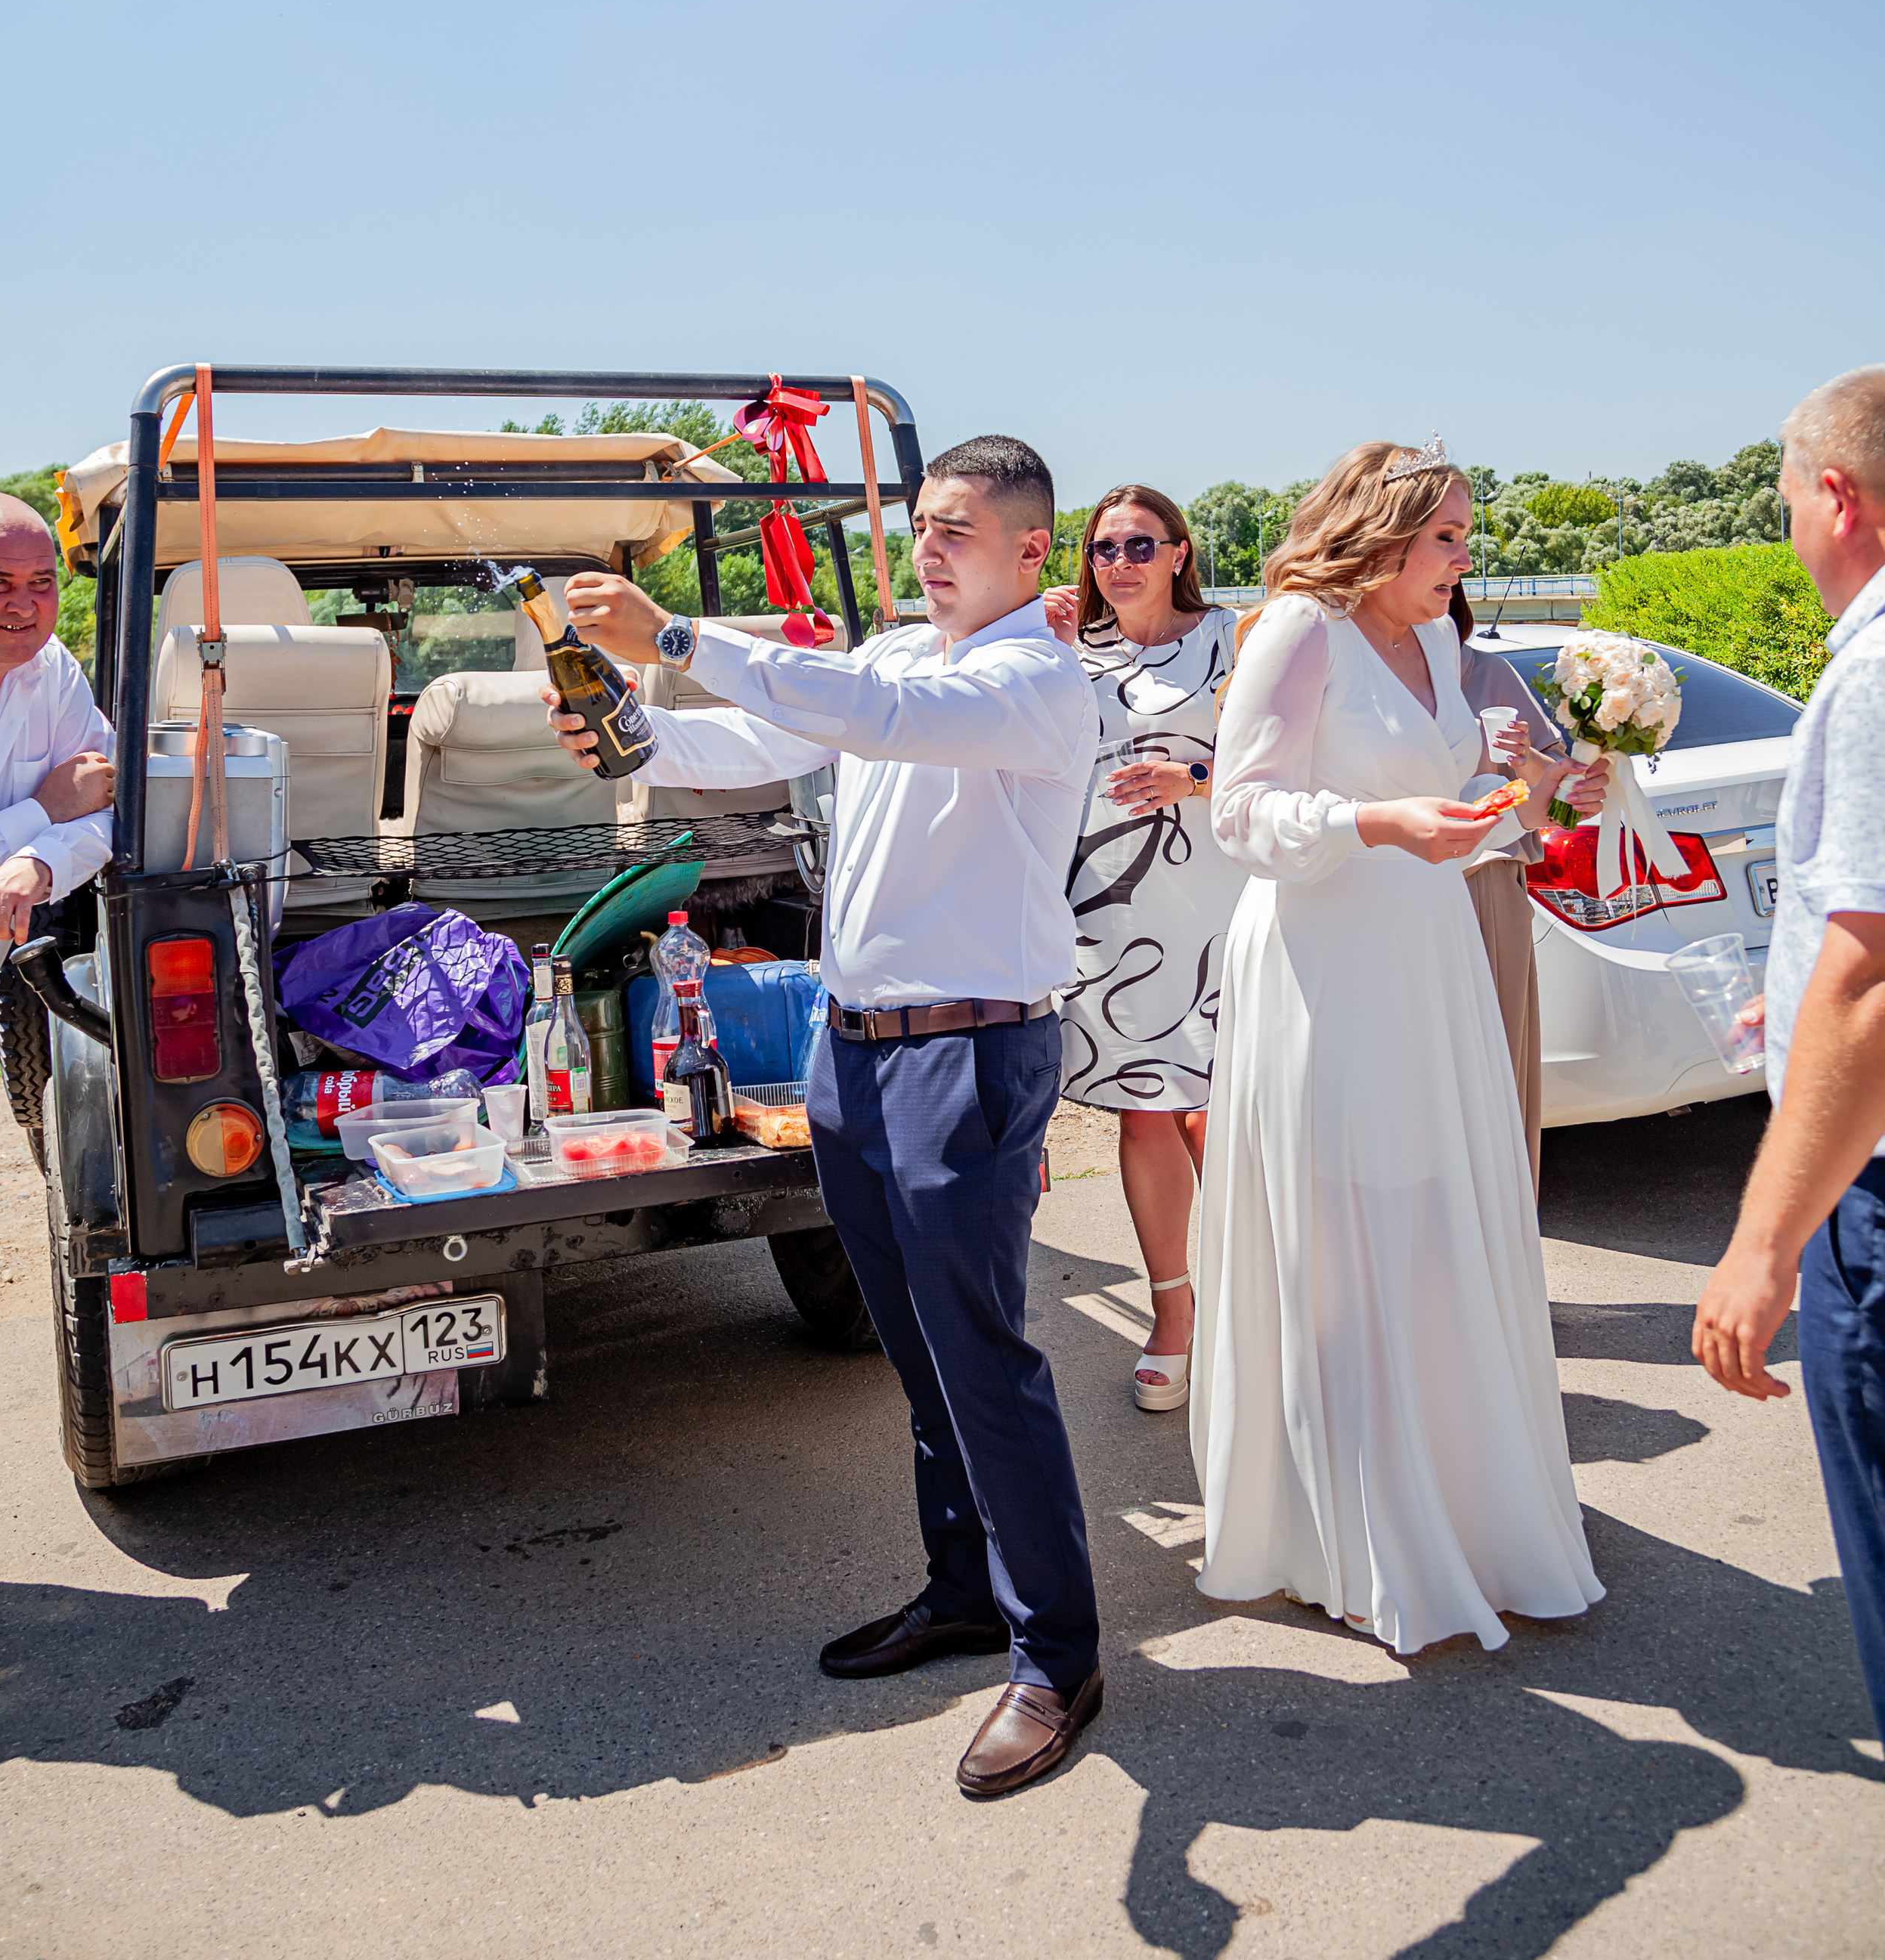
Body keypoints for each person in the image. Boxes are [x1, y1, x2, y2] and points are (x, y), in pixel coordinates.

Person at [546, 436, 1106, 1799]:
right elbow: (779, 730)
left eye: (962, 529)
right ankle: (962, 1591)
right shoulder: (902, 662)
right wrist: (640, 727)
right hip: (852, 1051)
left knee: (984, 1359)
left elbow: (873, 715)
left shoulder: (1034, 678)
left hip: (969, 1053)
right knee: (916, 1356)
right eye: (924, 524)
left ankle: (1060, 1657)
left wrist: (676, 631)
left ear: (1035, 552)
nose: (931, 545)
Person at [1192, 438, 1603, 1653]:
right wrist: (1373, 821)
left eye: (1467, 538)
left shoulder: (1435, 644)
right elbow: (1239, 811)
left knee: (1434, 1218)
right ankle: (1348, 1529)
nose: (1465, 560)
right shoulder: (1296, 632)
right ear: (1379, 533)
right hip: (1323, 965)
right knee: (1343, 1225)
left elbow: (1455, 823)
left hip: (1429, 958)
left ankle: (1460, 1501)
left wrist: (1511, 802)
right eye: (1449, 538)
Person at [1688, 367, 1885, 1960]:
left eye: (1779, 491)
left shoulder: (1877, 664)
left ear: (1831, 497)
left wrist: (1764, 1232)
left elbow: (1871, 966)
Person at [1042, 486, 1241, 1411]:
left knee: (1229, 1114)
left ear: (1177, 552)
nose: (1115, 562)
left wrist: (1192, 776)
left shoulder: (1231, 639)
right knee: (1145, 1109)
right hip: (1108, 914)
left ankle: (1262, 1309)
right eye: (1100, 549)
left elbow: (1286, 761)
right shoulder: (1069, 654)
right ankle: (1174, 1313)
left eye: (1135, 545)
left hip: (1219, 903)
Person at [1452, 579, 1608, 1195]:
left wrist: (1520, 758)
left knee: (1492, 1061)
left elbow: (1562, 790)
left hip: (1484, 879)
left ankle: (1501, 1233)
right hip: (1390, 883)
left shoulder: (1483, 673)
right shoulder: (1358, 668)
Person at [0, 494, 116, 1070]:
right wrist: (42, 812)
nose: (24, 603)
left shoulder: (51, 672)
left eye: (42, 580)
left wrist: (38, 866)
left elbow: (110, 806)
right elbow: (74, 801)